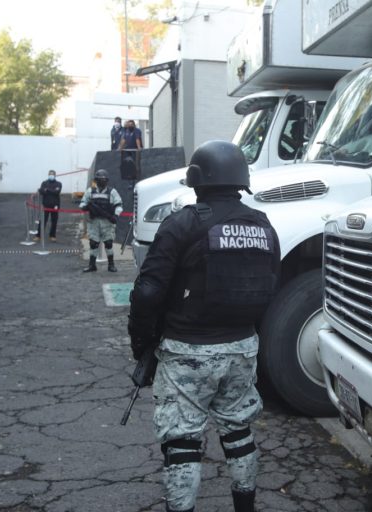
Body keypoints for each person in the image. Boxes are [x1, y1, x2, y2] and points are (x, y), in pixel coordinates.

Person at [128, 140, 281, 512]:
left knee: (182, 441)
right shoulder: (263, 225)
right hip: (242, 347)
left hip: (187, 350)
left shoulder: (182, 224)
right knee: (239, 431)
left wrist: (141, 343)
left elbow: (148, 291)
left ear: (196, 180)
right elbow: (270, 284)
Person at [79, 169, 122, 272]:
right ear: (96, 180)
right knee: (93, 243)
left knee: (108, 243)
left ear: (107, 180)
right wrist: (86, 207)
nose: (102, 181)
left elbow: (119, 205)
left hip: (107, 222)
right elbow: (82, 203)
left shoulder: (112, 192)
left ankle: (111, 265)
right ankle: (92, 265)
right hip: (94, 222)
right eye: (100, 179)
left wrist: (116, 215)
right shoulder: (90, 191)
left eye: (104, 180)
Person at [35, 169, 62, 242]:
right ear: (48, 175)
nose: (51, 175)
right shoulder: (44, 183)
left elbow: (57, 192)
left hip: (55, 206)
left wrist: (47, 190)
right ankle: (38, 235)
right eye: (50, 174)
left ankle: (52, 235)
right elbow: (41, 191)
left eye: (52, 174)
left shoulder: (59, 183)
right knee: (42, 221)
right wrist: (51, 190)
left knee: (54, 221)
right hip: (46, 205)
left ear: (55, 175)